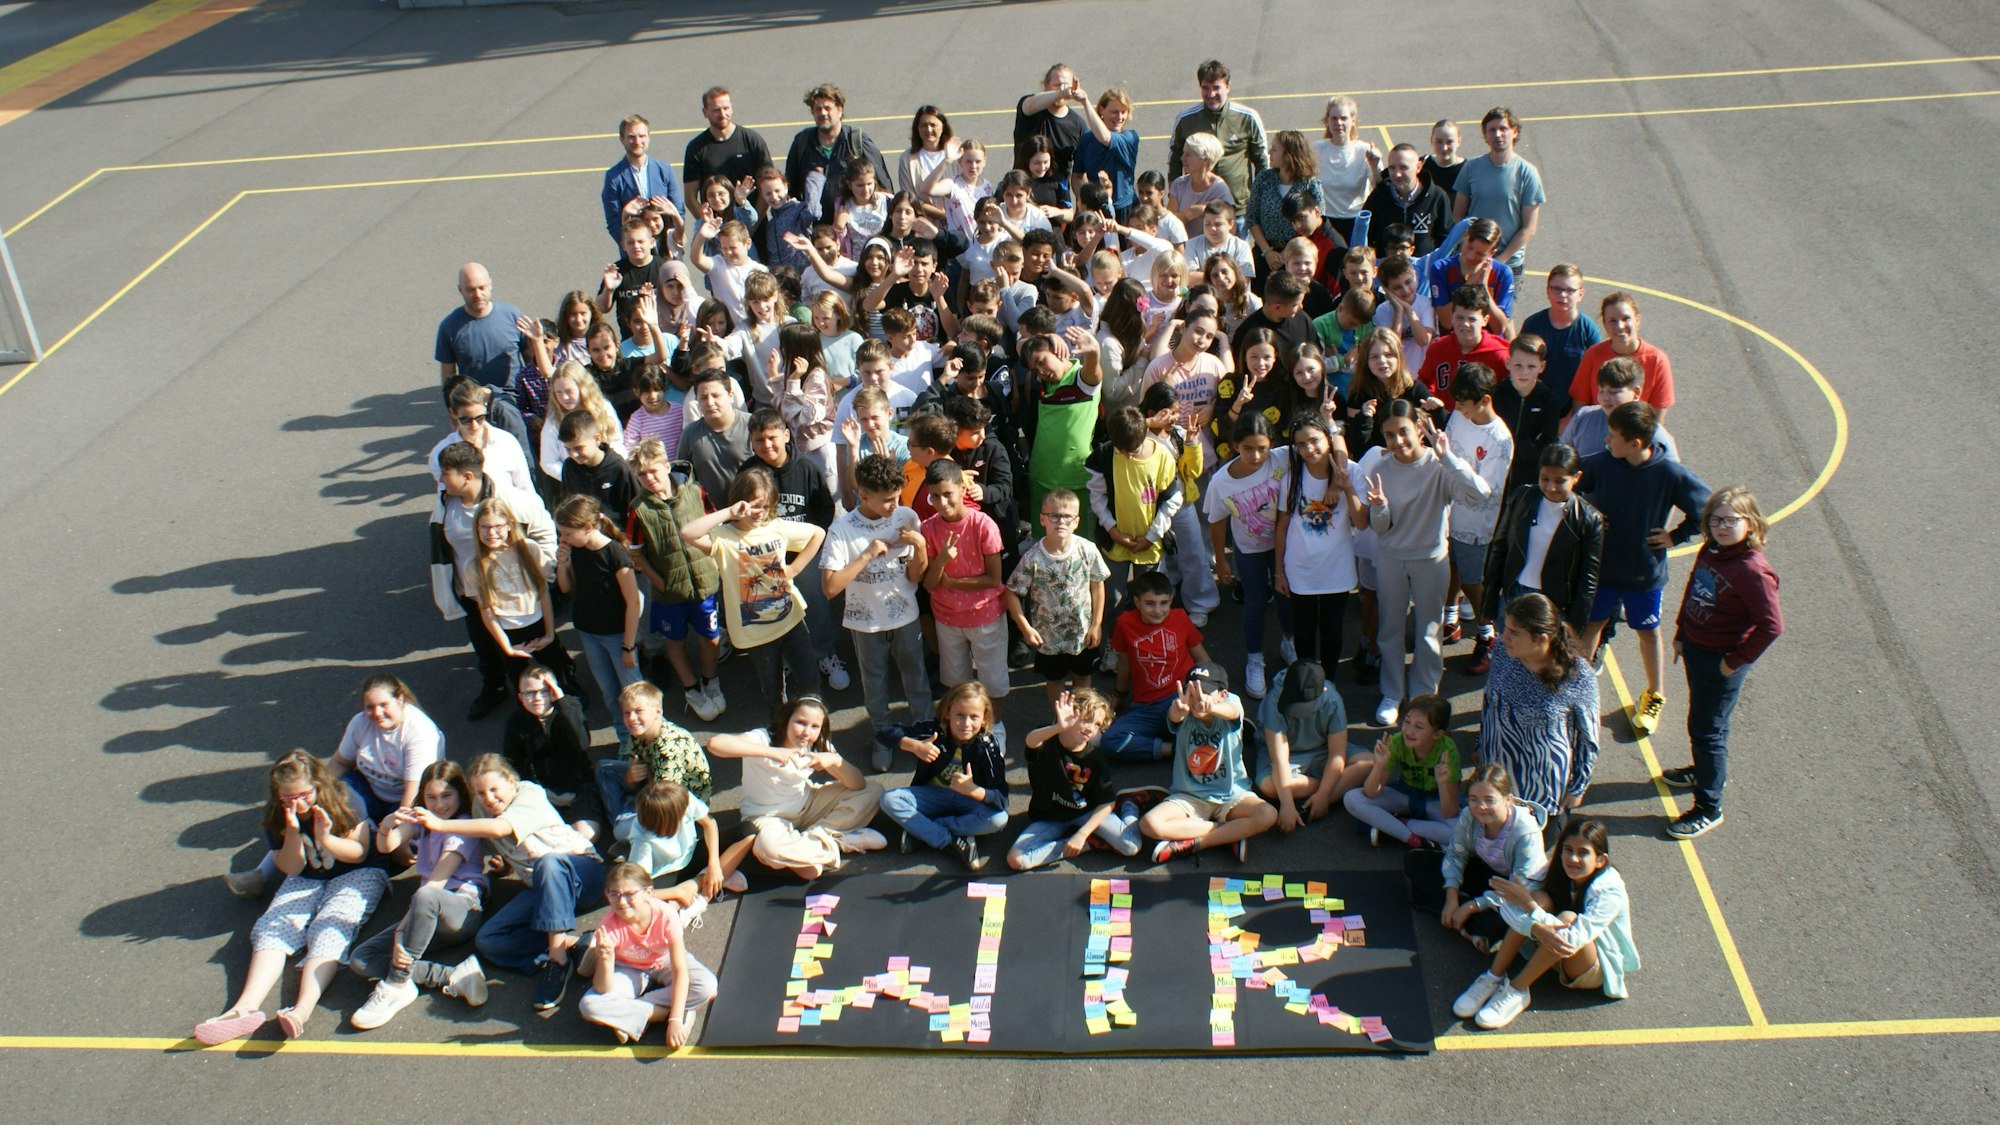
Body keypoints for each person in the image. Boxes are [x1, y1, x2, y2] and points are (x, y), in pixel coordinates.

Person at [194, 751, 388, 1045]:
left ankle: (301, 1010)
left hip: (359, 872)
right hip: (307, 876)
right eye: (288, 798)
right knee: (273, 928)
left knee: (330, 930)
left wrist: (325, 838)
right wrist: (294, 833)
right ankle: (243, 1008)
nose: (297, 803)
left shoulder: (345, 797)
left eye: (304, 795)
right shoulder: (278, 813)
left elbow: (358, 852)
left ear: (318, 786)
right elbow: (292, 867)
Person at [1579, 402, 1710, 735]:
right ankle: (1577, 693)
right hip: (1604, 569)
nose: (1606, 441)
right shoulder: (1605, 462)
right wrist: (1588, 511)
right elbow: (1573, 482)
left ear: (1636, 443)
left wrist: (1676, 535)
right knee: (1590, 628)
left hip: (1643, 575)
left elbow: (1706, 507)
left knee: (1648, 633)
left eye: (1612, 436)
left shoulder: (1669, 473)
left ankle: (1655, 693)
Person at [1663, 487, 1783, 839]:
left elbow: (1771, 625)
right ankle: (1704, 771)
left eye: (1732, 520)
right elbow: (1693, 589)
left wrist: (1736, 660)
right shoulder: (1712, 551)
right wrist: (1681, 632)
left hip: (1721, 661)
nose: (1722, 526)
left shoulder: (1752, 570)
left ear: (1750, 523)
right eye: (1716, 519)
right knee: (1707, 724)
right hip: (1698, 650)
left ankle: (1708, 806)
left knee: (1706, 729)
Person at [1362, 401, 1491, 725]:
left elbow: (1481, 495)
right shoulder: (1378, 468)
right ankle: (1393, 692)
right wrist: (1378, 508)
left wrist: (1449, 457)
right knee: (1390, 628)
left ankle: (1423, 696)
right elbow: (1379, 528)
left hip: (1431, 560)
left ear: (1419, 429)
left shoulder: (1439, 466)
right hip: (1391, 559)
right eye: (1389, 435)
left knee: (1429, 631)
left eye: (1403, 432)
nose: (1397, 442)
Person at [345, 761, 490, 1030]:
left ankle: (398, 982)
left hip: (460, 910)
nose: (440, 805)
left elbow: (436, 884)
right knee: (362, 959)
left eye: (447, 796)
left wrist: (401, 934)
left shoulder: (463, 826)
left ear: (460, 795)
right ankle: (453, 976)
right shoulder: (426, 821)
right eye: (431, 797)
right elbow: (386, 845)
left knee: (424, 896)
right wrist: (388, 826)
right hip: (425, 913)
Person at [1457, 819, 1640, 1029]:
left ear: (1601, 860)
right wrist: (1481, 904)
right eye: (1568, 850)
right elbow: (1509, 906)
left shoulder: (1610, 892)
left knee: (1565, 919)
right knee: (1541, 899)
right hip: (1553, 949)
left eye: (1583, 853)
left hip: (1590, 968)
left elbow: (1571, 941)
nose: (1572, 858)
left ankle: (1517, 990)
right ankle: (1493, 977)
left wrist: (1531, 910)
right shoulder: (1556, 872)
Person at [429, 442, 557, 721]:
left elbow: (543, 529)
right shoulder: (445, 501)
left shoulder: (508, 499)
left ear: (467, 477)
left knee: (540, 650)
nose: (440, 479)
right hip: (473, 592)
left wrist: (544, 571)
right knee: (487, 649)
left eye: (445, 474)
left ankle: (561, 695)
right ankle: (497, 689)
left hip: (515, 596)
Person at [821, 454, 933, 768]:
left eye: (897, 498)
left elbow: (915, 575)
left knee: (916, 676)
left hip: (905, 616)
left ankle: (925, 731)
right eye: (887, 501)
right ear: (863, 494)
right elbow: (830, 588)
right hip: (865, 622)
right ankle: (884, 737)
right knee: (875, 683)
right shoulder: (842, 530)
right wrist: (867, 555)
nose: (894, 507)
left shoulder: (906, 516)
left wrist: (921, 547)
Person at [680, 467, 826, 705]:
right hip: (756, 634)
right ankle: (780, 735)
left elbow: (818, 533)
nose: (759, 513)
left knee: (811, 684)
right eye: (753, 506)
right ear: (739, 502)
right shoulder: (723, 537)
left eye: (765, 506)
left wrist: (794, 569)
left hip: (791, 622)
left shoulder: (777, 527)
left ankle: (818, 734)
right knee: (773, 693)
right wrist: (728, 512)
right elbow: (687, 532)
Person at [709, 696, 888, 878]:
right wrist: (773, 753)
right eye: (801, 723)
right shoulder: (763, 738)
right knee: (772, 850)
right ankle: (834, 842)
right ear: (787, 719)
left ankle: (817, 843)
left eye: (814, 727)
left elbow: (858, 784)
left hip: (807, 803)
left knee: (874, 791)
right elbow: (715, 744)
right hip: (766, 816)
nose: (806, 732)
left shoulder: (817, 744)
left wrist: (834, 761)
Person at [1479, 594, 1601, 839]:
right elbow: (1490, 701)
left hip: (1541, 787)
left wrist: (1578, 787)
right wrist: (1480, 743)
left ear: (1541, 639)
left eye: (1515, 632)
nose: (1504, 637)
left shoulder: (1578, 676)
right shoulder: (1504, 652)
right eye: (1506, 628)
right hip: (1497, 773)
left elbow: (1589, 738)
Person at [626, 440, 725, 721]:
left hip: (704, 583)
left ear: (666, 465)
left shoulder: (696, 491)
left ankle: (710, 680)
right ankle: (692, 688)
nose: (649, 478)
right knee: (676, 640)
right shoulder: (638, 508)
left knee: (711, 638)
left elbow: (714, 526)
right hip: (669, 592)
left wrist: (715, 561)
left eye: (653, 471)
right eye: (641, 475)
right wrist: (657, 580)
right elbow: (635, 552)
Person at [1141, 662, 1277, 864]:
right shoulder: (1181, 706)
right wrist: (1177, 713)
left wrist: (1211, 707)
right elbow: (1174, 716)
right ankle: (1230, 834)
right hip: (1190, 796)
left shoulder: (1231, 703)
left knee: (1268, 814)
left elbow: (1233, 712)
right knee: (1149, 824)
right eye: (1191, 691)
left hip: (1232, 794)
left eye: (1204, 692)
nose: (1197, 699)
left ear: (1222, 695)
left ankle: (1197, 843)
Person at [1405, 763, 1548, 954]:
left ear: (1508, 800)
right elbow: (1456, 853)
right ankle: (1467, 925)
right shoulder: (1469, 815)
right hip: (1483, 871)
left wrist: (1473, 906)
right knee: (1414, 861)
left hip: (1512, 888)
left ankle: (1464, 921)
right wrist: (1451, 894)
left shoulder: (1525, 832)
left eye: (1490, 800)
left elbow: (1519, 889)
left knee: (1504, 920)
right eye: (1473, 799)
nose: (1481, 807)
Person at [1010, 689, 1154, 868]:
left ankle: (1129, 805)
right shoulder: (1047, 740)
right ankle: (1080, 845)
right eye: (1087, 719)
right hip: (1050, 817)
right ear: (1070, 715)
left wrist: (1082, 834)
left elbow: (1106, 803)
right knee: (1016, 860)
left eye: (1097, 724)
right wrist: (1058, 727)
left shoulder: (1095, 758)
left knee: (1131, 846)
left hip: (1086, 813)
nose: (1090, 728)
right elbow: (1031, 741)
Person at [577, 861, 717, 1046]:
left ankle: (629, 1013)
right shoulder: (608, 926)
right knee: (588, 1005)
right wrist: (605, 958)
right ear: (607, 895)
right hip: (629, 968)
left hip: (664, 960)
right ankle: (661, 1014)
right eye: (615, 894)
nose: (622, 901)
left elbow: (680, 970)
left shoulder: (665, 915)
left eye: (630, 894)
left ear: (648, 893)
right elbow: (603, 988)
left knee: (707, 986)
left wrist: (674, 1022)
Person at [880, 682, 1011, 871]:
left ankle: (924, 831)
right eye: (959, 715)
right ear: (948, 713)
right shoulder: (935, 730)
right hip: (934, 794)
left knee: (999, 820)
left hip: (968, 799)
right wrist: (914, 746)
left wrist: (975, 791)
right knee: (889, 800)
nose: (966, 724)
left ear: (985, 718)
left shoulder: (987, 744)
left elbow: (1001, 798)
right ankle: (950, 841)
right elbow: (885, 733)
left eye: (974, 717)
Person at [921, 459, 1011, 733]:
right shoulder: (928, 528)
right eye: (935, 496)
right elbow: (929, 583)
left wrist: (952, 581)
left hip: (985, 617)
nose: (942, 502)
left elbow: (993, 579)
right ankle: (962, 730)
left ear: (962, 489)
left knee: (992, 680)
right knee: (955, 681)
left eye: (947, 494)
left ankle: (993, 729)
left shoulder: (983, 525)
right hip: (947, 618)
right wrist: (941, 562)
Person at [1205, 413, 1290, 696]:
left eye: (1262, 448)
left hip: (1284, 546)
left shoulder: (1282, 458)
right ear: (1235, 446)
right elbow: (1216, 521)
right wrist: (1220, 558)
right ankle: (1255, 659)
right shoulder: (1221, 481)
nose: (1256, 455)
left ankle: (1289, 641)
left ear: (1272, 445)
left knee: (1287, 596)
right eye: (1248, 448)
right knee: (1254, 602)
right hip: (1250, 549)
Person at [1272, 413, 1365, 674]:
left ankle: (1329, 683)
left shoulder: (1352, 471)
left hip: (1337, 569)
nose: (1308, 449)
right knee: (1303, 632)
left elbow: (1362, 522)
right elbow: (1282, 525)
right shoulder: (1292, 478)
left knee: (1332, 630)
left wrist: (1345, 487)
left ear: (1328, 439)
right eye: (1301, 445)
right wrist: (1279, 571)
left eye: (1314, 441)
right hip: (1300, 569)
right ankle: (1307, 682)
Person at [1482, 443, 1604, 641]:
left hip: (1553, 604)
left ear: (1577, 478)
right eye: (1544, 479)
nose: (1551, 487)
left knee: (1541, 665)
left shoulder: (1589, 520)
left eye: (1560, 481)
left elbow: (1587, 581)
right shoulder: (1522, 497)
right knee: (1509, 655)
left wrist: (1575, 628)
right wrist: (1489, 604)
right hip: (1515, 594)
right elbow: (1500, 548)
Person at [553, 495, 644, 742]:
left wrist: (628, 645)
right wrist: (562, 563)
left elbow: (633, 603)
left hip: (617, 636)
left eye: (567, 533)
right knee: (609, 691)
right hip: (589, 632)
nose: (563, 539)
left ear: (588, 528)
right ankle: (626, 739)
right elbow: (565, 588)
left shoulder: (616, 555)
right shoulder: (576, 549)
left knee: (633, 692)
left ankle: (648, 738)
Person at [1443, 363, 1515, 673]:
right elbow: (1446, 445)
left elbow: (1486, 491)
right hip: (1448, 513)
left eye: (1463, 401)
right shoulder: (1459, 416)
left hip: (1475, 526)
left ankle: (1487, 635)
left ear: (1484, 400)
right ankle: (1450, 616)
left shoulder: (1500, 440)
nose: (1457, 407)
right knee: (1451, 569)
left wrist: (1449, 459)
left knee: (1473, 582)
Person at [1086, 404, 1182, 624]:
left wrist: (1152, 536)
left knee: (1149, 599)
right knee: (1113, 598)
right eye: (1122, 451)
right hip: (1115, 543)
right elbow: (1097, 496)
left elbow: (1172, 500)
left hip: (1150, 545)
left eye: (1133, 451)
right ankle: (1114, 644)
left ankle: (1147, 645)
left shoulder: (1163, 457)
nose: (1128, 456)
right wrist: (1112, 530)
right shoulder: (1105, 455)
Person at [1099, 571, 1211, 760]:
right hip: (1145, 707)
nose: (1157, 610)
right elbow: (1124, 662)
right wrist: (1120, 695)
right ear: (1137, 602)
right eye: (1150, 604)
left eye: (1164, 603)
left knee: (1209, 719)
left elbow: (1202, 658)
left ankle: (1197, 739)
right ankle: (1177, 749)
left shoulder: (1181, 618)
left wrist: (1210, 692)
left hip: (1181, 697)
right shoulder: (1125, 623)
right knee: (1110, 741)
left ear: (1171, 600)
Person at [1255, 661, 1371, 832]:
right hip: (1290, 755)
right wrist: (1286, 805)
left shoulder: (1332, 700)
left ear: (1321, 693)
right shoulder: (1274, 699)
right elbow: (1280, 758)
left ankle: (1320, 796)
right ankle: (1333, 788)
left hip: (1323, 748)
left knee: (1369, 762)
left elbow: (1337, 754)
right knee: (1267, 786)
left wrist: (1324, 795)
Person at [1345, 694, 1462, 848]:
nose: (1409, 731)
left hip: (1434, 801)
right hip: (1406, 795)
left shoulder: (1448, 751)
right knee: (1352, 798)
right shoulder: (1398, 741)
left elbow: (1450, 812)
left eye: (1419, 727)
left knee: (1461, 830)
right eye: (1407, 721)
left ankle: (1393, 826)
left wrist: (1442, 784)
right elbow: (1371, 792)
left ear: (1437, 734)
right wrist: (1379, 765)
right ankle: (1412, 838)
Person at [594, 680, 713, 827]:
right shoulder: (637, 732)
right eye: (626, 713)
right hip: (653, 781)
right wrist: (630, 778)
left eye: (638, 711)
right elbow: (636, 781)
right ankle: (628, 815)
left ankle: (625, 819)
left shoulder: (669, 748)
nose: (631, 718)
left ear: (658, 712)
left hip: (678, 805)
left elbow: (664, 802)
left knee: (621, 830)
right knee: (603, 769)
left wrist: (639, 795)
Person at [1024, 326, 1106, 537]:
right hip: (1041, 478)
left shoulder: (1081, 381)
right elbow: (1021, 345)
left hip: (1077, 480)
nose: (1040, 371)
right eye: (1035, 369)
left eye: (1042, 362)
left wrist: (1094, 352)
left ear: (1058, 352)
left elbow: (1094, 372)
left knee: (1080, 545)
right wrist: (1049, 336)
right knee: (1043, 544)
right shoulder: (1044, 381)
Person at [1451, 106, 1545, 272]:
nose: (1497, 135)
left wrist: (1501, 260)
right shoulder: (1471, 167)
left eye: (1503, 129)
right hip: (1471, 262)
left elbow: (1529, 227)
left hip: (1508, 265)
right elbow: (1458, 216)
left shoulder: (1527, 172)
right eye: (1492, 130)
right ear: (1485, 136)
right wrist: (1472, 250)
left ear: (1514, 132)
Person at [1168, 59, 1268, 213]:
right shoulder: (1185, 119)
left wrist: (1260, 201)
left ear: (1228, 87)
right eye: (1205, 88)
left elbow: (1262, 162)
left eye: (1216, 87)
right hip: (1195, 211)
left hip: (1238, 209)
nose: (1211, 94)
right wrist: (1174, 200)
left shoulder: (1248, 118)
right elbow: (1174, 161)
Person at [786, 82, 892, 221]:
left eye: (828, 108)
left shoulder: (858, 141)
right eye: (817, 109)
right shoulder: (802, 142)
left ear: (840, 110)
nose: (823, 113)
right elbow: (790, 188)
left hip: (853, 229)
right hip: (816, 230)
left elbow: (884, 187)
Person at [1565, 291, 1676, 418]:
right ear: (1605, 324)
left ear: (1637, 320)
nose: (1620, 326)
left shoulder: (1657, 360)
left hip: (1636, 433)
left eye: (1626, 318)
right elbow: (1580, 402)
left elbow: (1657, 415)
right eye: (1612, 321)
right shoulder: (1593, 355)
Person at [501, 664, 593, 804]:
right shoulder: (516, 721)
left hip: (580, 784)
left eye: (544, 691)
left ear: (555, 691)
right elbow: (513, 760)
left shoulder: (570, 707)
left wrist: (561, 703)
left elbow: (582, 744)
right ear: (520, 697)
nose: (537, 698)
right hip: (543, 789)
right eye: (529, 693)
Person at [428, 378, 536, 496]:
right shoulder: (440, 453)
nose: (474, 426)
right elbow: (444, 499)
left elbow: (525, 489)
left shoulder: (506, 442)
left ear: (485, 409)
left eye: (479, 418)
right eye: (465, 420)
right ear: (453, 414)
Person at [1492, 334, 1570, 494]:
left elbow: (1546, 442)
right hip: (1496, 471)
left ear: (1542, 367)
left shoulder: (1548, 399)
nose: (1524, 372)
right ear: (1508, 363)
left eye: (1531, 366)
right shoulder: (1497, 394)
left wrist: (1512, 448)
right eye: (1518, 365)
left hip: (1528, 476)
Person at [1560, 357, 1679, 461]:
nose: (1605, 398)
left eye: (1614, 392)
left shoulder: (1650, 431)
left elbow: (1674, 476)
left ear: (1636, 393)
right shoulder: (1582, 418)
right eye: (1601, 391)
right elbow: (1562, 457)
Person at [436, 262, 529, 395]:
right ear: (460, 289)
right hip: (476, 403)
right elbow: (448, 377)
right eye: (470, 289)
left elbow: (531, 361)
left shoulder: (513, 316)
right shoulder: (449, 327)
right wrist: (454, 408)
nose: (478, 294)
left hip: (515, 399)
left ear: (490, 285)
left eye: (482, 288)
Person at [1420, 285, 1513, 414]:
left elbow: (1509, 396)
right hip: (1445, 423)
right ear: (1452, 317)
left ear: (1485, 320)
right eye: (1460, 317)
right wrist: (1430, 400)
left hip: (1481, 426)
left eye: (1472, 319)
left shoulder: (1499, 354)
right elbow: (1423, 382)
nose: (1465, 324)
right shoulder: (1438, 348)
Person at [602, 114, 686, 248]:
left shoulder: (664, 170)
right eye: (631, 136)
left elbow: (679, 211)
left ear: (648, 138)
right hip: (635, 252)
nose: (637, 141)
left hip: (664, 248)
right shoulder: (614, 177)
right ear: (622, 139)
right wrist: (629, 246)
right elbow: (613, 223)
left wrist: (674, 240)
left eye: (642, 136)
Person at [1519, 264, 1604, 395]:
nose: (1563, 295)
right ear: (1548, 291)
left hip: (1572, 407)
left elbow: (1594, 377)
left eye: (1570, 290)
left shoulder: (1589, 331)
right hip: (1535, 400)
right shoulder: (1532, 325)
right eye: (1556, 289)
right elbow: (1520, 364)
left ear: (1580, 294)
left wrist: (1574, 412)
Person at [1312, 96, 1381, 249]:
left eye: (1344, 118)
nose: (1338, 123)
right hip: (1325, 222)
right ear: (1327, 121)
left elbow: (1379, 186)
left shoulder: (1364, 150)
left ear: (1353, 120)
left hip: (1355, 222)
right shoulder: (1317, 149)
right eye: (1334, 118)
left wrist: (1375, 166)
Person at [1366, 143, 1454, 259]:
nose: (1397, 174)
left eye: (1403, 167)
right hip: (1387, 270)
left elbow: (1446, 238)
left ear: (1418, 167)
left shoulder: (1437, 197)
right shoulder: (1378, 197)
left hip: (1422, 272)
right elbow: (1367, 236)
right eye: (1392, 168)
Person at [679, 369, 752, 506]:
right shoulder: (690, 434)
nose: (710, 402)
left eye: (716, 395)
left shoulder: (752, 426)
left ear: (730, 395)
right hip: (712, 516)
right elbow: (681, 477)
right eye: (703, 397)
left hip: (753, 510)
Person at [558, 411, 641, 527]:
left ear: (597, 439)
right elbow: (566, 504)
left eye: (578, 448)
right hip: (582, 537)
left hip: (615, 537)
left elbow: (637, 508)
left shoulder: (618, 467)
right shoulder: (569, 467)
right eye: (568, 449)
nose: (573, 455)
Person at [684, 87, 771, 189]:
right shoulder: (696, 148)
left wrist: (753, 206)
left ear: (731, 108)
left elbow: (768, 182)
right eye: (716, 110)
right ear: (705, 112)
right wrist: (702, 206)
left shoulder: (753, 140)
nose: (722, 114)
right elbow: (690, 197)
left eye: (726, 108)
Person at [1072, 87, 1139, 218]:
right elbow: (1077, 176)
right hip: (1096, 209)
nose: (1120, 117)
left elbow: (1105, 138)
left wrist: (1085, 102)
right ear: (1102, 110)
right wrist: (1085, 199)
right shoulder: (1087, 138)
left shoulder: (1130, 138)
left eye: (1123, 112)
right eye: (1114, 112)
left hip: (1124, 208)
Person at [1015, 63, 1087, 181]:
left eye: (1067, 86)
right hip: (1023, 190)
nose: (1063, 89)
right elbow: (1031, 104)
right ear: (1045, 85)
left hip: (1057, 194)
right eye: (1057, 85)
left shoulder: (1077, 124)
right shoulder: (1031, 108)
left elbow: (1080, 173)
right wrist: (1060, 93)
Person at [1419, 119, 1465, 194]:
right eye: (1439, 142)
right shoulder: (1422, 166)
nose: (1444, 148)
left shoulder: (1467, 169)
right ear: (1431, 141)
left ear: (1459, 142)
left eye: (1449, 142)